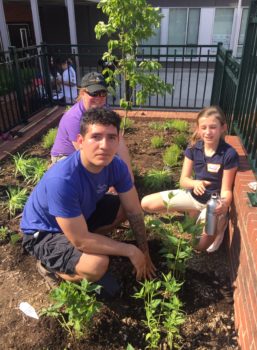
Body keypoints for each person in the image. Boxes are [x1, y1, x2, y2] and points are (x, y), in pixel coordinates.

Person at [21, 108, 155, 292]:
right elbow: (81, 240)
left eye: (111, 138)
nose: (104, 145)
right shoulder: (62, 179)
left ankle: (92, 244)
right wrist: (130, 250)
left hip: (78, 218)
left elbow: (133, 210)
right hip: (45, 232)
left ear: (118, 141)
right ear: (80, 141)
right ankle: (49, 267)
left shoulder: (116, 166)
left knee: (124, 208)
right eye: (96, 137)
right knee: (97, 264)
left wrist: (145, 252)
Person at [141, 106, 239, 252]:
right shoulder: (193, 148)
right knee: (146, 203)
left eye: (213, 127)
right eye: (203, 127)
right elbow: (184, 180)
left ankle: (220, 224)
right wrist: (195, 183)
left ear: (223, 128)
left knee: (199, 247)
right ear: (198, 129)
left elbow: (226, 190)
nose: (208, 132)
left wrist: (224, 205)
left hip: (213, 204)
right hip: (193, 197)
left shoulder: (229, 154)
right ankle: (193, 212)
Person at [51, 71, 133, 180]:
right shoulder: (74, 118)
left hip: (89, 151)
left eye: (102, 93)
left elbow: (120, 143)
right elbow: (87, 155)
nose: (99, 98)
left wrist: (129, 177)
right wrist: (110, 181)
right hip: (66, 157)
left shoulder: (104, 108)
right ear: (83, 93)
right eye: (94, 93)